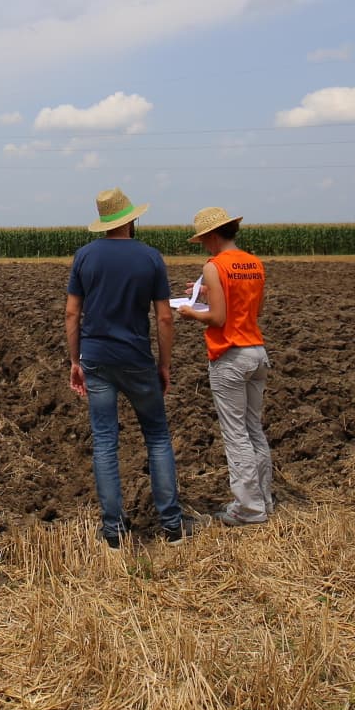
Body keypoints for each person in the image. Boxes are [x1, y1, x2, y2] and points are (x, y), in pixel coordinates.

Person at [66, 187, 192, 547]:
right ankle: (171, 525)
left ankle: (114, 531)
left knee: (105, 442)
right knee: (156, 436)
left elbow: (72, 312)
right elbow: (164, 318)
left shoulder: (85, 257)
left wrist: (76, 361)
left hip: (96, 358)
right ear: (131, 219)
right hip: (137, 359)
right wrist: (164, 366)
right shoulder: (150, 257)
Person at [175, 205, 273, 525]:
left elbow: (218, 318)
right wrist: (204, 292)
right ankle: (264, 500)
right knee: (254, 429)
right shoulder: (253, 263)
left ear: (213, 236)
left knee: (236, 435)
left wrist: (191, 312)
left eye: (204, 239)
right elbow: (243, 303)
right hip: (256, 351)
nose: (204, 244)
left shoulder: (215, 265)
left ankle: (248, 509)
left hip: (230, 356)